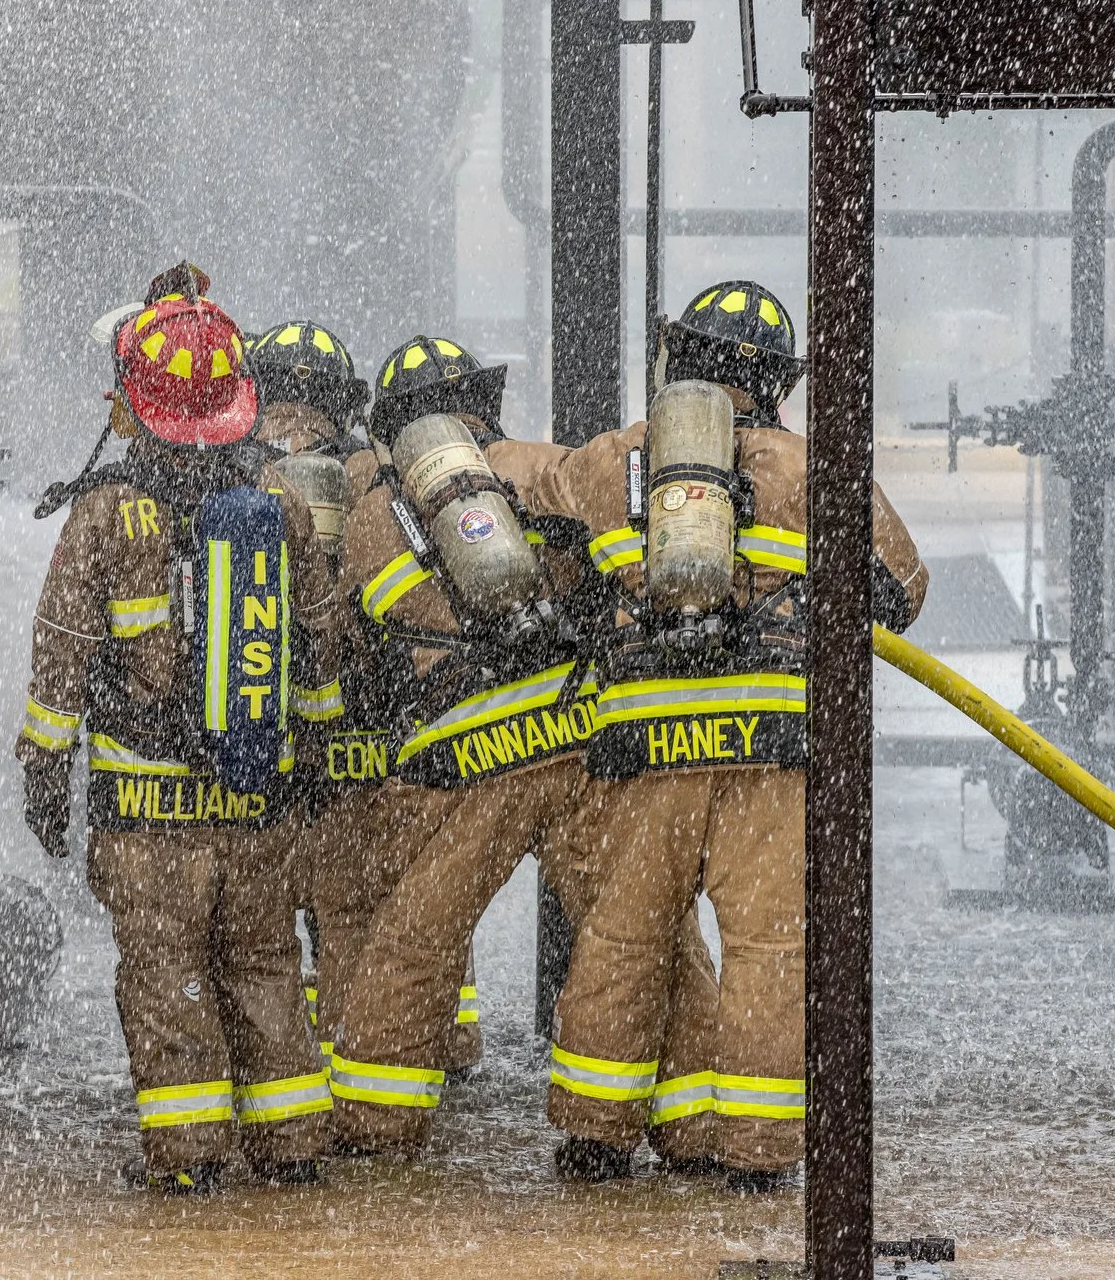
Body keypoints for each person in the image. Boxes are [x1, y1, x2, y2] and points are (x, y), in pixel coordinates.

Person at [538, 280, 930, 1187]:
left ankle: (595, 1135)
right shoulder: (814, 467)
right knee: (768, 949)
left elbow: (541, 525)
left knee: (623, 940)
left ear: (680, 359)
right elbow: (902, 590)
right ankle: (755, 1157)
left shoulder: (613, 461)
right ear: (776, 380)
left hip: (643, 752)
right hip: (770, 749)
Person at [16, 267, 339, 1194]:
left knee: (169, 983)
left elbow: (63, 654)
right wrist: (306, 759)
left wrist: (45, 766)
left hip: (149, 813)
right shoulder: (276, 500)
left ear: (136, 407)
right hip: (257, 800)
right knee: (266, 968)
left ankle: (191, 1159)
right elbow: (318, 641)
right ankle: (292, 1148)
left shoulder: (107, 510)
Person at [323, 336, 597, 1155]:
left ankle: (377, 1119)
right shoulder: (548, 463)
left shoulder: (377, 503)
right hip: (573, 734)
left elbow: (356, 631)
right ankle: (655, 1120)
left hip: (467, 756)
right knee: (629, 931)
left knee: (414, 935)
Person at [248, 320, 485, 1078]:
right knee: (424, 905)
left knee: (335, 911)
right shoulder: (382, 478)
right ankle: (446, 1043)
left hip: (307, 739)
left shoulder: (246, 476)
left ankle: (352, 1064)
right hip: (398, 734)